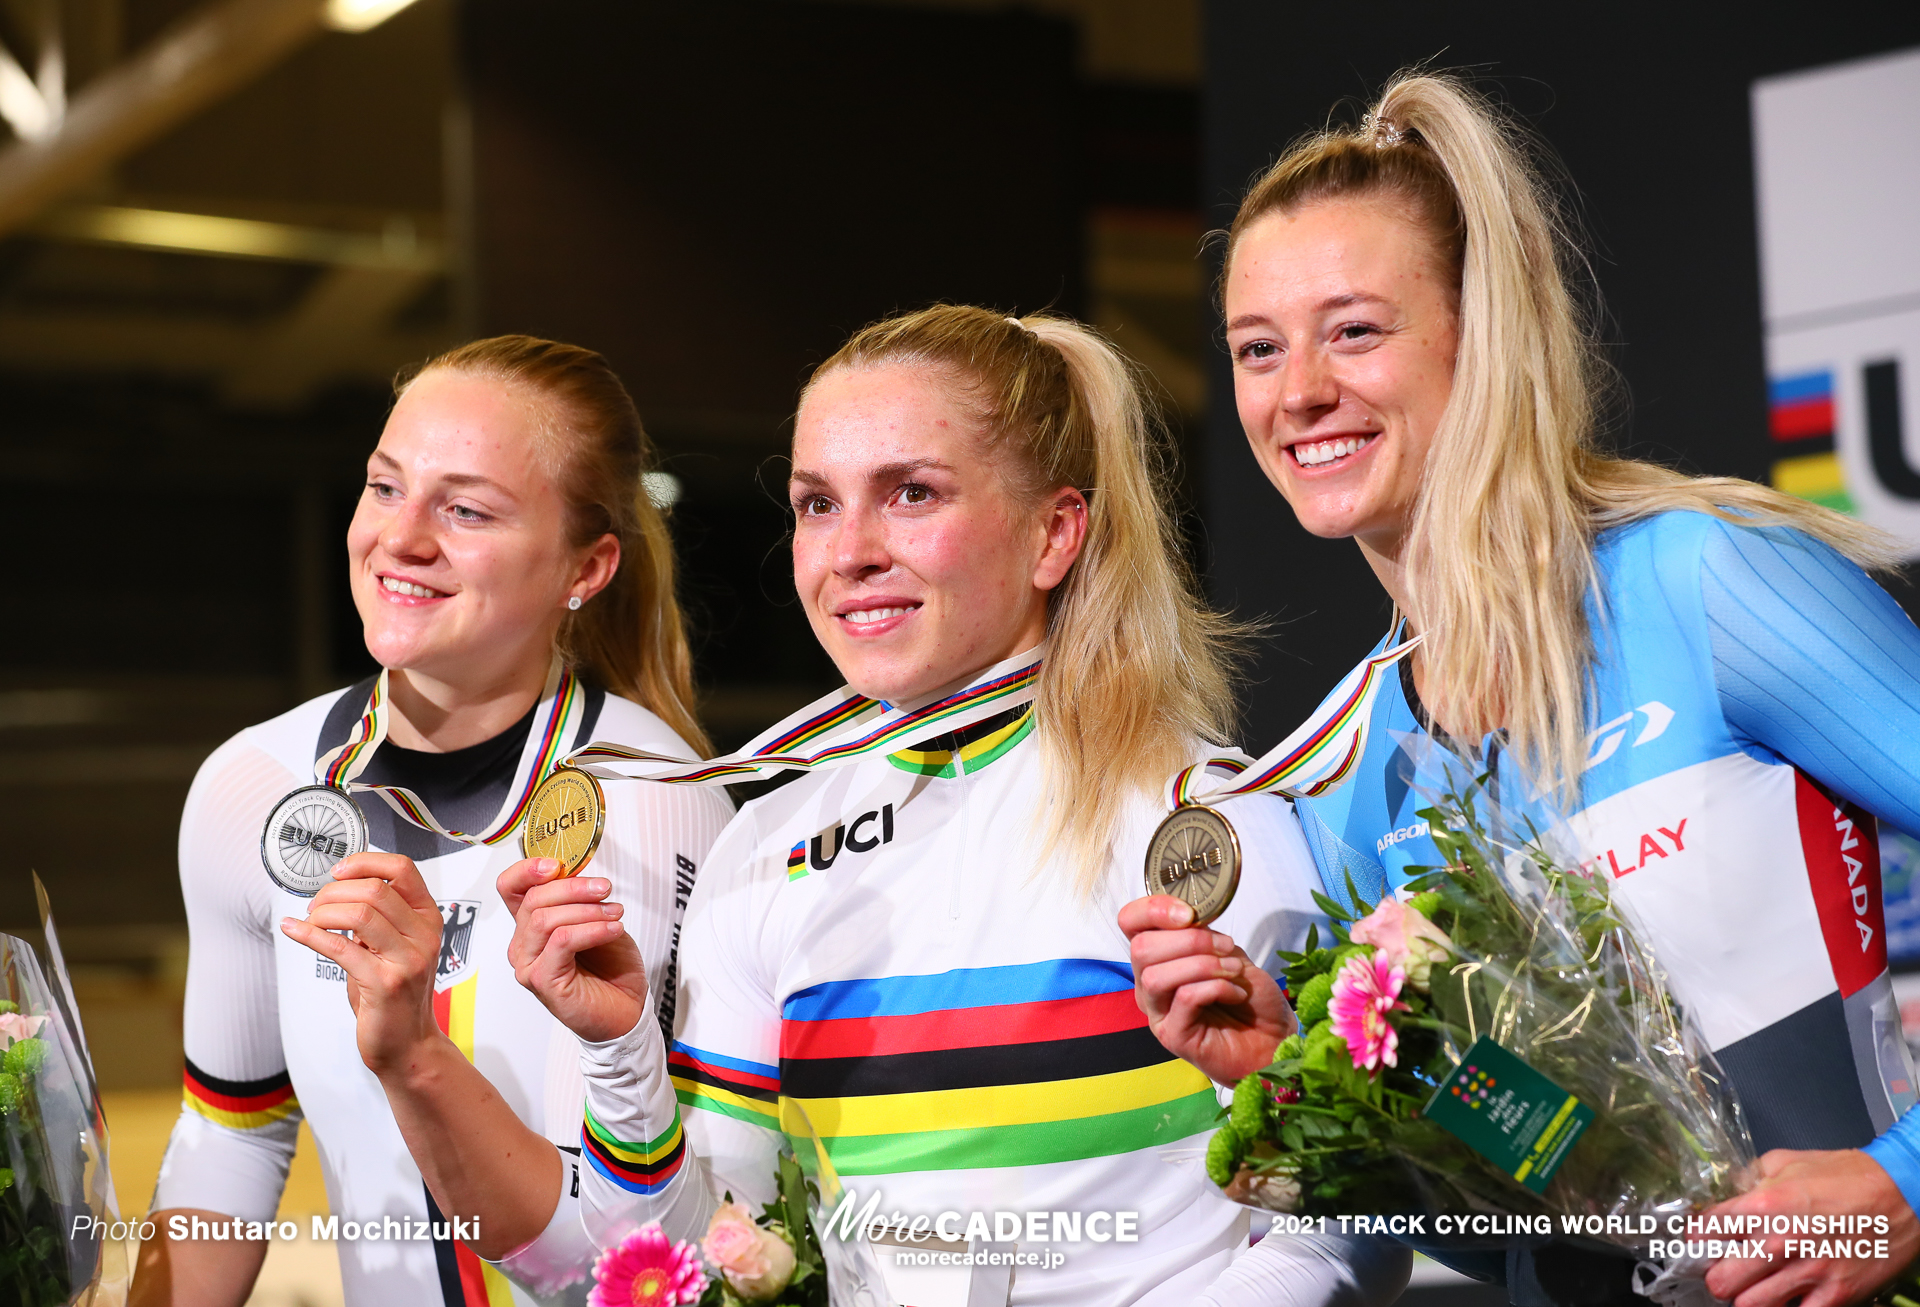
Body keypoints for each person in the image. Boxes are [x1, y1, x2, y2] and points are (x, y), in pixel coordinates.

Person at [1123, 71, 1920, 1307]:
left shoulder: (1701, 580)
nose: (1295, 390)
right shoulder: (1348, 767)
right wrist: (1291, 1075)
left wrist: (1916, 1174)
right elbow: (1519, 1211)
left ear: (1483, 328)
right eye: (1257, 347)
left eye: (1352, 329)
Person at [498, 304, 1412, 1306]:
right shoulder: (765, 845)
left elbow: (1342, 1224)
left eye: (911, 493)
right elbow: (704, 1252)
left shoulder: (1198, 813)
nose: (849, 552)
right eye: (817, 504)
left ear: (1054, 532)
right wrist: (621, 1049)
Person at [137, 336, 732, 1307]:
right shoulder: (252, 785)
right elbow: (232, 1133)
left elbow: (647, 1253)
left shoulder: (658, 800)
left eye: (464, 508)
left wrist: (417, 1057)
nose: (400, 535)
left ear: (586, 566)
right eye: (384, 486)